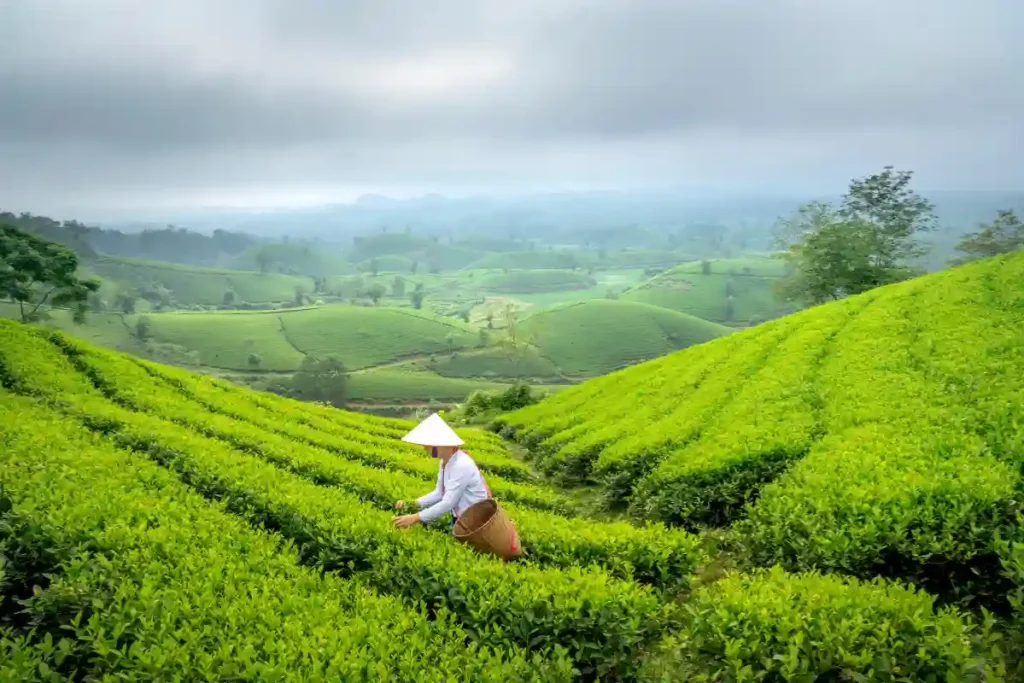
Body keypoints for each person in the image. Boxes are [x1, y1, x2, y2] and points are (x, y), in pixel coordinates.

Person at [392, 413, 490, 531]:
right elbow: (439, 493)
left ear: (437, 445)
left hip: (476, 522)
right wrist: (413, 504)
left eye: (427, 445)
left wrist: (415, 518)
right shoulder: (445, 462)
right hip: (461, 517)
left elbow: (448, 502)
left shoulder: (461, 465)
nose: (425, 449)